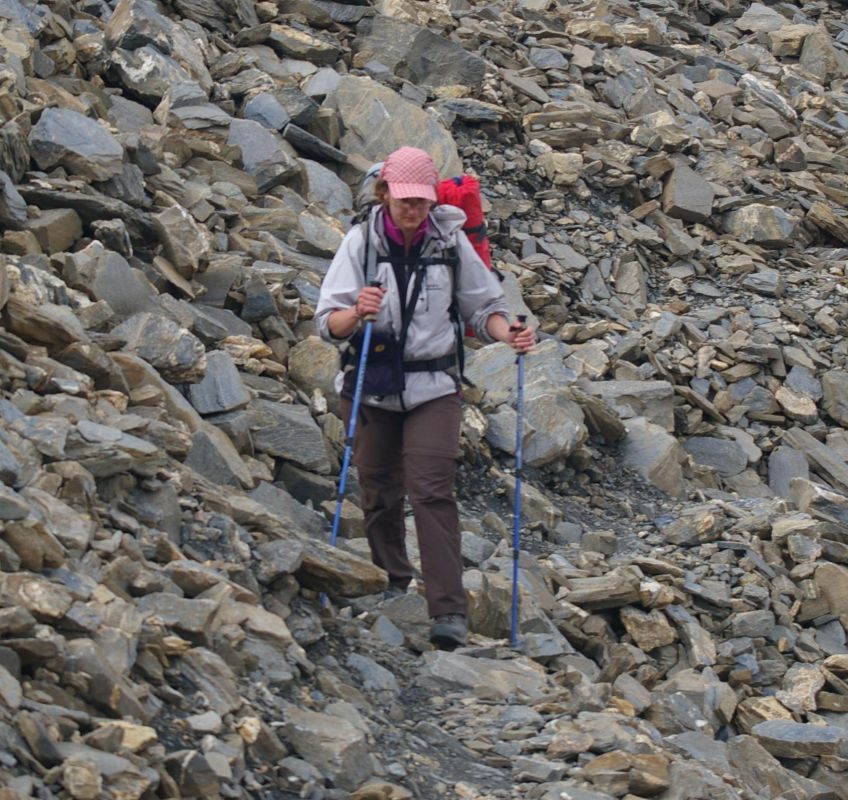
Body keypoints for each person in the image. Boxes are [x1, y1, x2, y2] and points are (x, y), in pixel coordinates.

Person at [316, 146, 535, 648]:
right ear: (384, 193)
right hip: (370, 380)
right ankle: (390, 579)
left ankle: (448, 612)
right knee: (377, 487)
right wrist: (357, 313)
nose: (411, 210)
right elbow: (328, 322)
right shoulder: (360, 243)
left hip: (434, 386)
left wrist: (509, 334)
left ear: (432, 199)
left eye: (420, 201)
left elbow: (484, 309)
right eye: (403, 199)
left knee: (431, 488)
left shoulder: (450, 243)